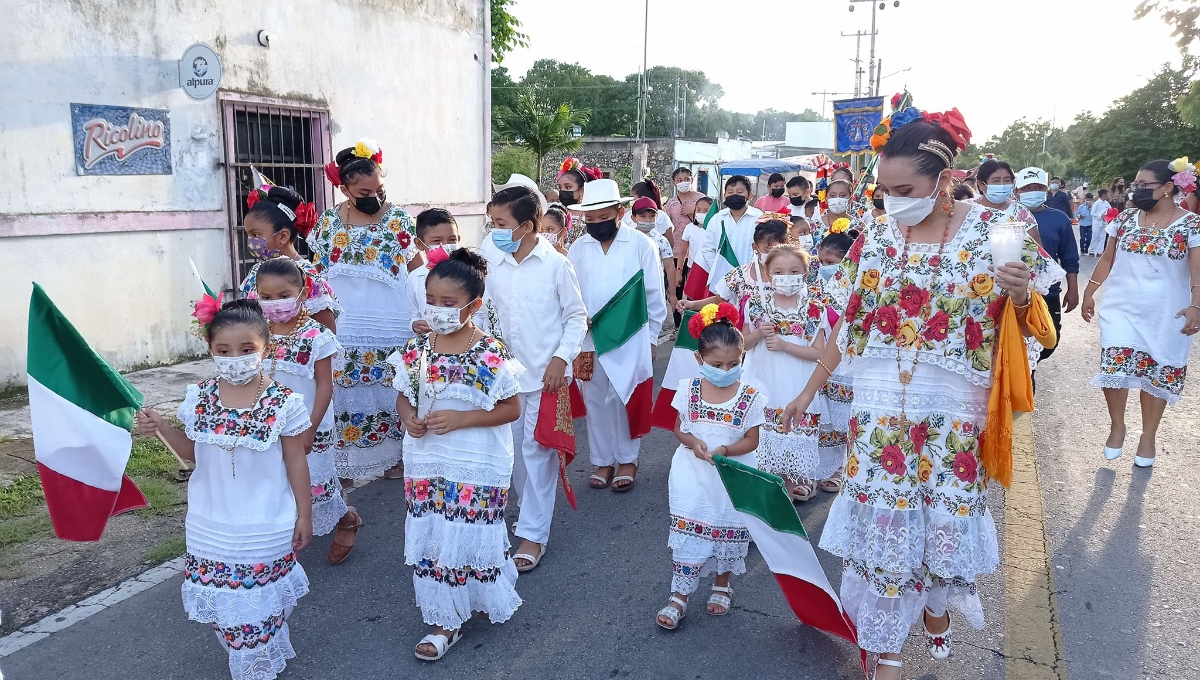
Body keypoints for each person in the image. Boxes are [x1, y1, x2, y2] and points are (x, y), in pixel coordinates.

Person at [781, 111, 1057, 680]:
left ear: (945, 177)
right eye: (884, 190)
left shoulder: (997, 232)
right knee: (888, 528)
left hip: (956, 415)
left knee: (942, 523)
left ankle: (935, 607)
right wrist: (807, 393)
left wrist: (1023, 294)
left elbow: (1041, 330)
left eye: (904, 190)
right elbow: (845, 325)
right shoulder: (874, 237)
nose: (892, 202)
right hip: (880, 412)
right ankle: (884, 649)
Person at [137, 300, 312, 680]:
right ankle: (255, 661)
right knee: (229, 616)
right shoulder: (197, 398)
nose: (236, 358)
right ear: (210, 351)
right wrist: (164, 428)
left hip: (265, 524)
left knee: (258, 614)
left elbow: (296, 461)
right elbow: (191, 453)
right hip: (211, 526)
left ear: (266, 348)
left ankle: (255, 669)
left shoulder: (285, 403)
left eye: (247, 350)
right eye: (224, 351)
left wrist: (304, 514)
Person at [390, 249, 525, 660]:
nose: (438, 310)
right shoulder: (416, 351)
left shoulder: (490, 353)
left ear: (474, 306)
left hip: (476, 464)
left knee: (466, 533)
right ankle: (445, 619)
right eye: (432, 301)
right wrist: (409, 417)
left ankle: (457, 613)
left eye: (448, 304)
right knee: (435, 534)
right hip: (427, 462)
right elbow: (402, 397)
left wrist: (463, 418)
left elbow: (511, 409)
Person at [483, 186, 588, 572]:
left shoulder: (556, 264)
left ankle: (533, 535)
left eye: (500, 224)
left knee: (538, 452)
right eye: (491, 222)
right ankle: (529, 511)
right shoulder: (489, 260)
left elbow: (576, 316)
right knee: (510, 455)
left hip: (547, 377)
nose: (493, 230)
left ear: (527, 226)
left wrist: (562, 359)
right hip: (500, 377)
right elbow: (479, 312)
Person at [309, 141, 420, 482]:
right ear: (344, 189)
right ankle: (343, 466)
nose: (375, 196)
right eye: (364, 191)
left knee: (393, 388)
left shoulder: (398, 219)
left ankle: (395, 458)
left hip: (394, 325)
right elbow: (318, 274)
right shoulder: (329, 222)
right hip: (346, 326)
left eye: (380, 189)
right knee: (344, 393)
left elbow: (417, 268)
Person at [1081, 158, 1200, 468]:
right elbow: (1107, 259)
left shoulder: (1190, 224)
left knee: (1156, 374)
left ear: (1167, 188)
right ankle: (1117, 425)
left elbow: (1197, 273)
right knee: (1114, 366)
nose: (1137, 190)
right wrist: (1089, 291)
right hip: (1122, 309)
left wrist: (1195, 305)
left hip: (1166, 314)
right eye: (1136, 185)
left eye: (1144, 185)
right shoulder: (1124, 219)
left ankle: (1148, 436)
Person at [656, 304, 764, 630]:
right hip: (691, 474)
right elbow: (679, 428)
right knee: (689, 531)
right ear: (700, 360)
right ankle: (679, 595)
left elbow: (753, 439)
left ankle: (721, 583)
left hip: (730, 478)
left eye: (734, 363)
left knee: (727, 529)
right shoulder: (687, 390)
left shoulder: (750, 395)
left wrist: (727, 450)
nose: (726, 369)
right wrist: (693, 443)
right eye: (717, 364)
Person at [255, 258, 364, 565]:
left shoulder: (316, 336)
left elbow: (325, 386)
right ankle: (280, 543)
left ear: (303, 295)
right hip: (269, 423)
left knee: (317, 486)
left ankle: (346, 519)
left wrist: (310, 428)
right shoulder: (257, 334)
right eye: (266, 297)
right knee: (277, 482)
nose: (275, 303)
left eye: (283, 295)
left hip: (309, 424)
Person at [568, 179, 668, 492]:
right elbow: (570, 290)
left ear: (620, 212)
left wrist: (652, 336)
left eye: (603, 217)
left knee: (626, 395)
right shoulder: (578, 247)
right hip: (589, 336)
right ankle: (602, 459)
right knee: (595, 397)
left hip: (630, 336)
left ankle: (627, 459)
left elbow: (653, 293)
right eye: (590, 219)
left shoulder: (641, 245)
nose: (596, 224)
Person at [743, 244, 830, 502]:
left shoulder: (814, 307)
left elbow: (820, 353)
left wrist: (784, 345)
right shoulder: (756, 304)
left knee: (791, 438)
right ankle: (767, 493)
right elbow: (742, 345)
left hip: (797, 384)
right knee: (763, 439)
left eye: (794, 270)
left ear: (805, 273)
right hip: (763, 380)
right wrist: (759, 333)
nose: (786, 276)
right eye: (779, 271)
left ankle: (789, 492)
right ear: (768, 274)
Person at [239, 185, 340, 331]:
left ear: (283, 236)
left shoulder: (308, 276)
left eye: (256, 235)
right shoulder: (255, 272)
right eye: (248, 235)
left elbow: (327, 333)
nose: (250, 241)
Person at [1014, 167, 1080, 365]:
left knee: (1049, 341)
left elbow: (1069, 257)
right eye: (1027, 187)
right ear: (1017, 191)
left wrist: (1073, 289)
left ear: (1046, 189)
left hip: (1047, 292)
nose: (1032, 191)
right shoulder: (1005, 216)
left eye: (1038, 187)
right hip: (1013, 294)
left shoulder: (1059, 218)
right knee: (1017, 346)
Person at [813, 230, 859, 494]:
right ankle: (818, 469)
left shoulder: (859, 287)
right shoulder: (816, 286)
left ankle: (840, 469)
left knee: (845, 418)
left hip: (848, 361)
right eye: (822, 262)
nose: (825, 268)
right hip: (822, 358)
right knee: (825, 418)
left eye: (832, 263)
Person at [680, 219, 788, 322]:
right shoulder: (740, 275)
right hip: (748, 337)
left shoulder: (795, 276)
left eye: (779, 250)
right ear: (755, 247)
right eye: (768, 250)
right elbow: (720, 300)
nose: (774, 255)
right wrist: (692, 305)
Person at [699, 175, 764, 290]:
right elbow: (707, 248)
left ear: (750, 195)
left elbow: (764, 249)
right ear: (724, 195)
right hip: (722, 281)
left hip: (752, 281)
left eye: (739, 192)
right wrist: (720, 270)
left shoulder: (760, 218)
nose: (734, 195)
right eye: (730, 192)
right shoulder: (717, 219)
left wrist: (751, 272)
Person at [407, 208, 462, 324]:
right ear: (419, 244)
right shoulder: (415, 278)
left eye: (452, 240)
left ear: (459, 239)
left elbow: (481, 314)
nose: (445, 246)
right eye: (437, 241)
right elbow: (414, 313)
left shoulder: (470, 273)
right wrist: (415, 324)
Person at [631, 197, 681, 315]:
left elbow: (669, 267)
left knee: (653, 317)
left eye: (652, 216)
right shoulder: (628, 238)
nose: (648, 220)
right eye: (643, 216)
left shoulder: (661, 240)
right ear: (633, 218)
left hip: (655, 286)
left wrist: (672, 295)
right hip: (632, 286)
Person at [557, 157, 602, 245]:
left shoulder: (592, 215)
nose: (562, 191)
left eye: (568, 187)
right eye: (560, 187)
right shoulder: (555, 212)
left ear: (582, 189)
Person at [815, 179, 867, 245]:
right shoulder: (814, 225)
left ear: (850, 199)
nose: (837, 199)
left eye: (843, 195)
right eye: (832, 195)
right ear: (826, 199)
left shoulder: (859, 226)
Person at [1089, 188, 1112, 256]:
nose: (1108, 196)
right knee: (1095, 236)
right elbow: (1092, 213)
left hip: (1104, 222)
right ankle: (1091, 250)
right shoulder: (1097, 203)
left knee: (1103, 237)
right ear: (1103, 195)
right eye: (1107, 194)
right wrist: (1100, 216)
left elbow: (1110, 210)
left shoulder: (1107, 203)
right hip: (1097, 223)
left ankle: (1100, 251)